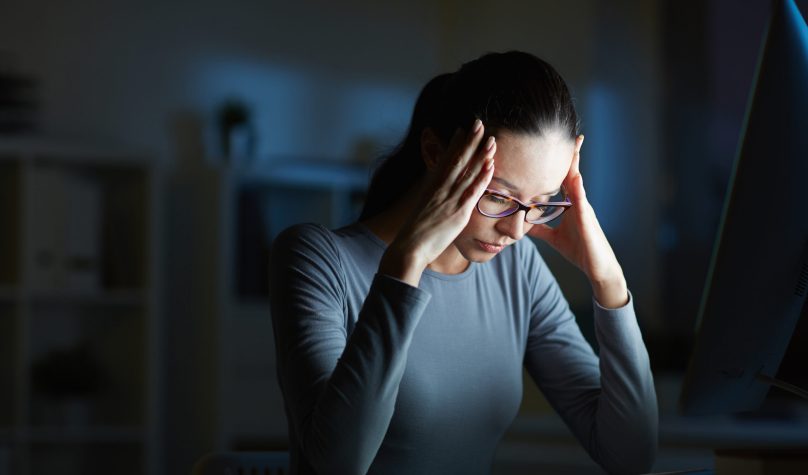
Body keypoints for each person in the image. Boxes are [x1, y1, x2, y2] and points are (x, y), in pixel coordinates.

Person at [269, 51, 658, 475]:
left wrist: (610, 281)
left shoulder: (517, 268)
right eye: (498, 197)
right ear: (436, 154)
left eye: (541, 204)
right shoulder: (317, 260)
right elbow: (338, 464)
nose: (514, 230)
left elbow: (631, 457)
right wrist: (406, 264)